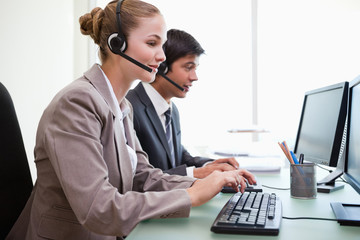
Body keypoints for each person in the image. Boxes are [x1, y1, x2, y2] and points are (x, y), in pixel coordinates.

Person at [6, 1, 255, 239]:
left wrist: (205, 182)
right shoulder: (76, 103)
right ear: (117, 44)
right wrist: (192, 196)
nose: (161, 56)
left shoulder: (122, 106)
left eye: (162, 45)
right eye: (152, 43)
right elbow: (99, 208)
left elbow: (143, 178)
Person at [126, 29, 238, 178]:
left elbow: (178, 156)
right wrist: (196, 173)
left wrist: (210, 166)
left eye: (195, 69)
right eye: (188, 67)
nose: (194, 77)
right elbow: (137, 178)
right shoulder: (129, 108)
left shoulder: (170, 109)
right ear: (162, 66)